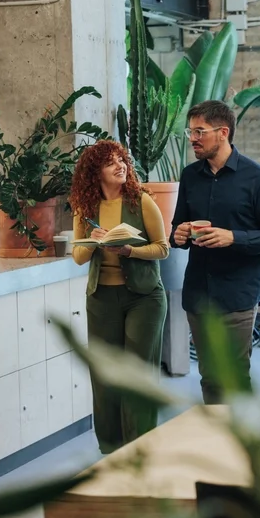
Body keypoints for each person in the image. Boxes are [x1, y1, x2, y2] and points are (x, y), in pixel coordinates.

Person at [170, 100, 260, 404]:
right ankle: (217, 446)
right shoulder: (190, 176)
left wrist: (232, 238)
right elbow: (175, 230)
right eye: (191, 131)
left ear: (223, 132)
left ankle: (246, 447)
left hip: (236, 296)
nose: (193, 138)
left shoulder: (257, 178)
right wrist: (178, 234)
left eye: (200, 131)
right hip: (198, 295)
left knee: (234, 377)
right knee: (209, 377)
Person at [70, 140, 169, 454]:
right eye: (111, 162)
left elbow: (162, 248)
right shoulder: (85, 208)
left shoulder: (141, 201)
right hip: (102, 298)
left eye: (122, 160)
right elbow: (78, 256)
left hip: (144, 297)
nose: (120, 166)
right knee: (105, 375)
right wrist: (94, 241)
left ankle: (139, 448)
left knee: (137, 373)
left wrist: (129, 250)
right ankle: (111, 450)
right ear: (95, 172)